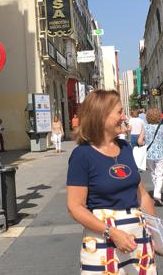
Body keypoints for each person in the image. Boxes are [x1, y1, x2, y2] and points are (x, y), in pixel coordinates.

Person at [67, 90, 158, 274]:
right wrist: (112, 233)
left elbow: (142, 196)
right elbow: (75, 207)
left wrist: (154, 234)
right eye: (119, 112)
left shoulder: (125, 147)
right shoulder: (82, 155)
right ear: (101, 116)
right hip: (103, 241)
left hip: (137, 238)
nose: (124, 116)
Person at [138, 108, 163, 206]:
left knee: (153, 172)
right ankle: (157, 194)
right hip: (160, 153)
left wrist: (145, 143)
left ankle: (156, 191)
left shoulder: (145, 127)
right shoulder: (162, 127)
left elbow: (139, 141)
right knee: (159, 174)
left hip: (149, 153)